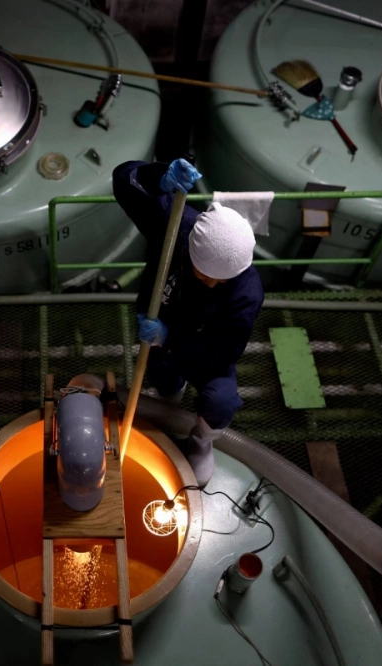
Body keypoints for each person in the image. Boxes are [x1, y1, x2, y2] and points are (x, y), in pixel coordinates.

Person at [112, 158, 263, 487]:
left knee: (221, 399)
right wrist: (156, 177)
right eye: (203, 274)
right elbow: (123, 181)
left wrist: (169, 340)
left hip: (200, 349)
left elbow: (222, 354)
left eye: (219, 280)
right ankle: (167, 407)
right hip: (158, 326)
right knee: (160, 372)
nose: (210, 284)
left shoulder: (246, 292)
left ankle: (199, 442)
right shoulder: (175, 225)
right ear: (191, 249)